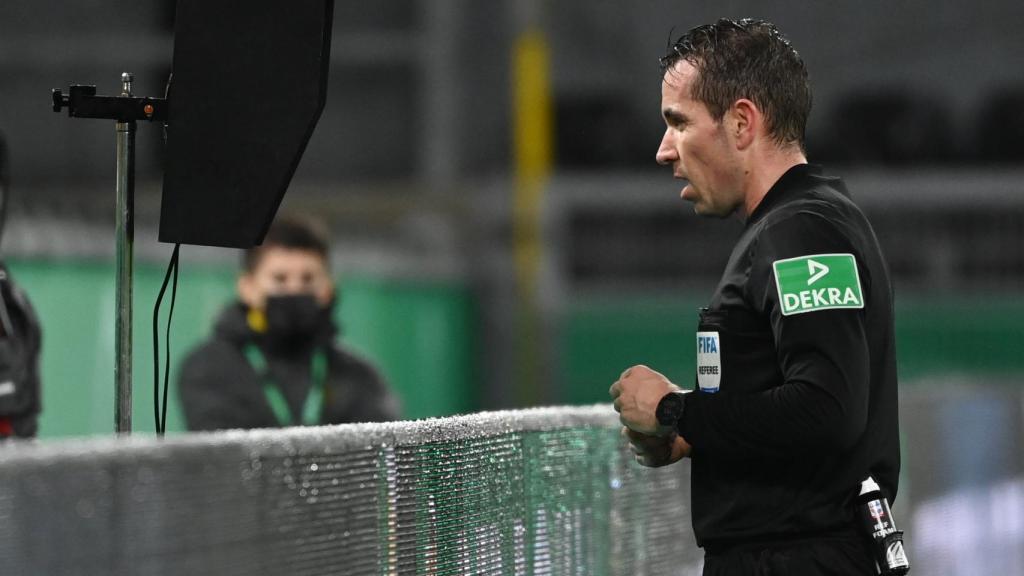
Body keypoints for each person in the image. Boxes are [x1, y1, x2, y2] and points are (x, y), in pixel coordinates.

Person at [609, 19, 900, 575]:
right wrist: (689, 434)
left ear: (741, 123)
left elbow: (827, 409)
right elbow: (793, 402)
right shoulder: (807, 223)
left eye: (678, 123)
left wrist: (677, 409)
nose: (663, 150)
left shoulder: (801, 233)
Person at [178, 215, 399, 431]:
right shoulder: (208, 369)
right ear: (247, 287)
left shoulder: (359, 376)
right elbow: (223, 456)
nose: (294, 290)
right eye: (280, 279)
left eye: (308, 279)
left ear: (328, 288)